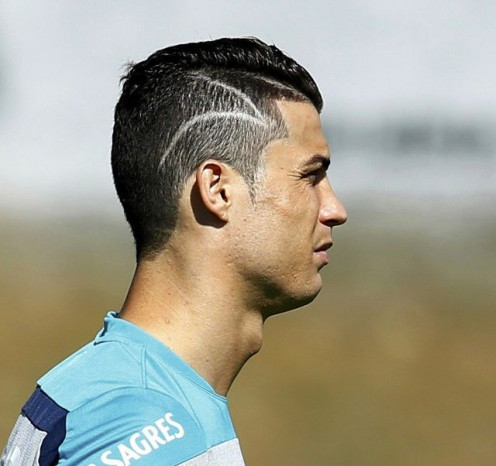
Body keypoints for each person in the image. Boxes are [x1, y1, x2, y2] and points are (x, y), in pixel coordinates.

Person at [0, 37, 347, 465]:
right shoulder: (148, 422)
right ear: (217, 190)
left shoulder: (105, 386)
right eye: (310, 176)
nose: (335, 210)